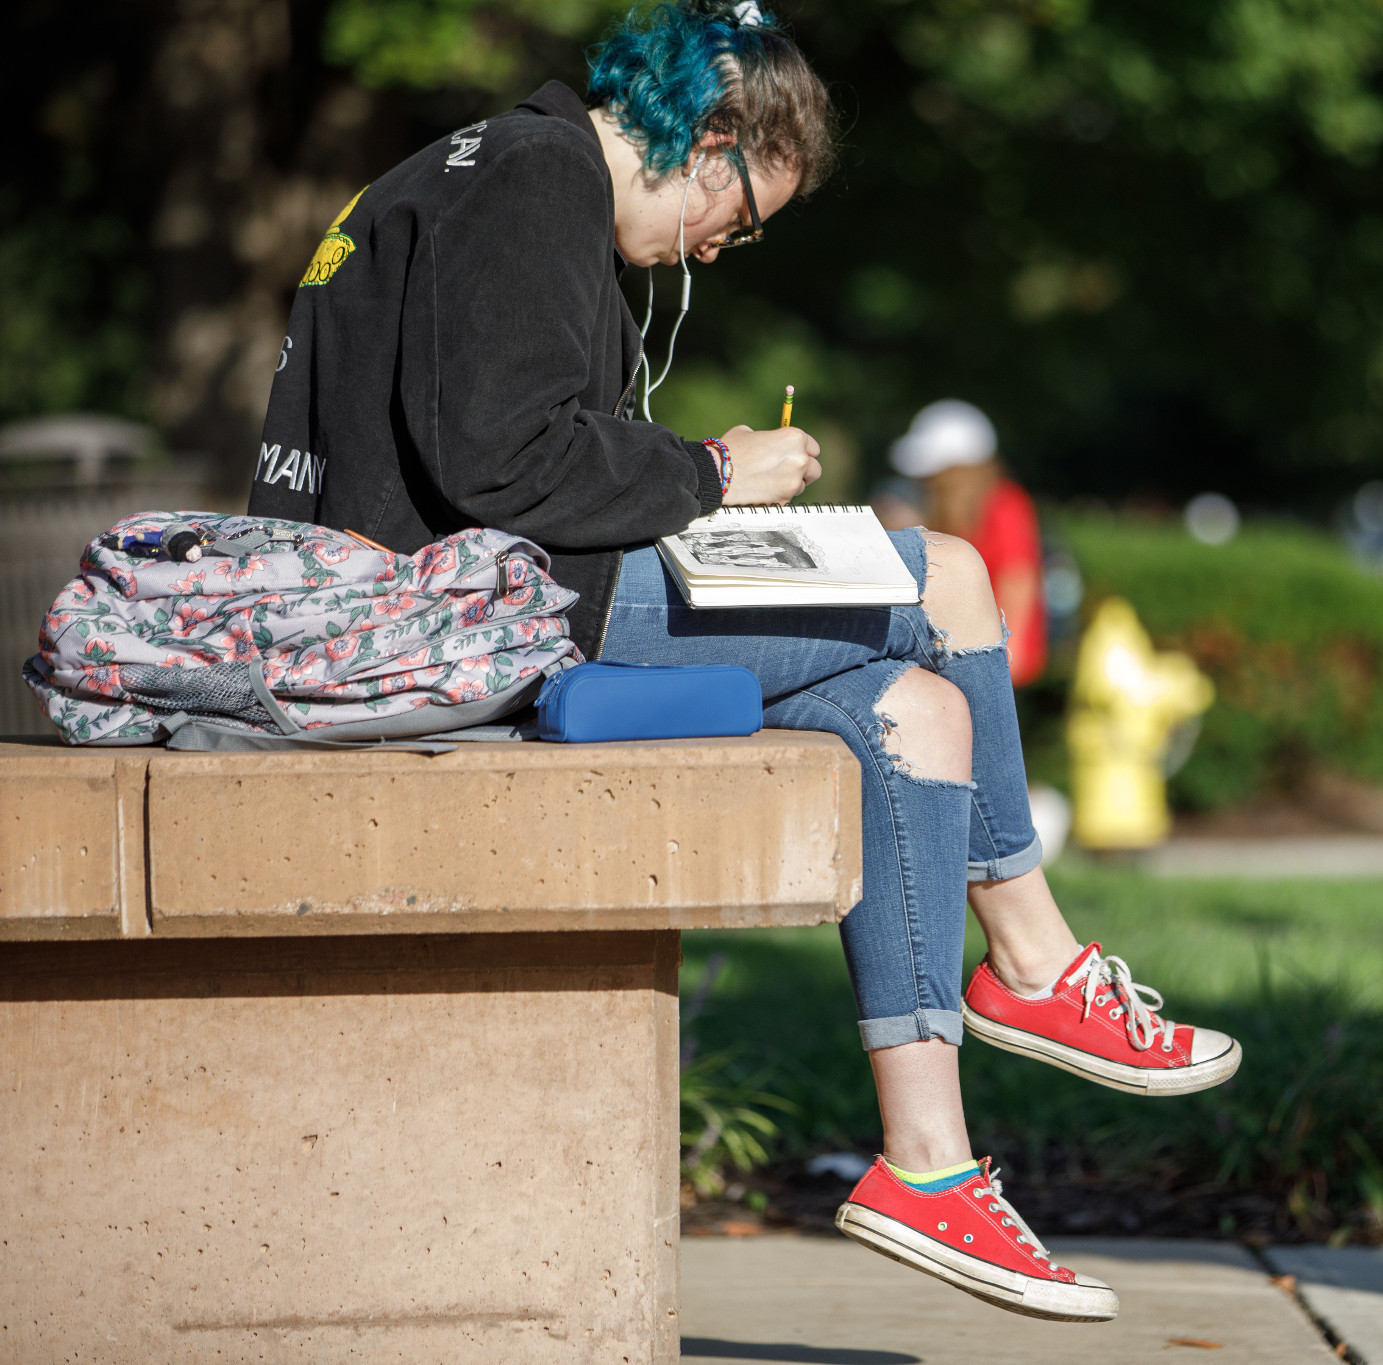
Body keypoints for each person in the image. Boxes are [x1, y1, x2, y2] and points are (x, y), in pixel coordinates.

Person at [249, 0, 1239, 1322]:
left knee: (916, 709)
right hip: (457, 620)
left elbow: (497, 445)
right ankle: (1041, 965)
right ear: (708, 139)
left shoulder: (492, 173)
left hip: (449, 606)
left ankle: (929, 1166)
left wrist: (688, 487)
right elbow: (500, 461)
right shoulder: (537, 175)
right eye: (741, 216)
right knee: (948, 574)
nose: (721, 247)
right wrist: (714, 471)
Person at [889, 400, 1048, 686]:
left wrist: (1009, 659)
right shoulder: (942, 508)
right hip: (959, 653)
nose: (925, 479)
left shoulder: (1005, 505)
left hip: (991, 657)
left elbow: (1019, 578)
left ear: (958, 470)